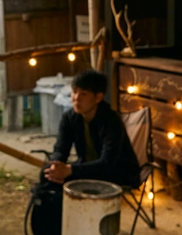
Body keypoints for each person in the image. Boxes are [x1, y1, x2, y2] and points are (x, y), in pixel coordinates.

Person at [30, 70, 140, 234]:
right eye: (74, 92)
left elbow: (107, 163)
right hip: (88, 168)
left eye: (84, 94)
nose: (76, 98)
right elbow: (61, 148)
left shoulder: (111, 121)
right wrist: (56, 165)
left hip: (117, 171)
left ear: (98, 97)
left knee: (66, 182)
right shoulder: (70, 118)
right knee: (46, 176)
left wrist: (70, 170)